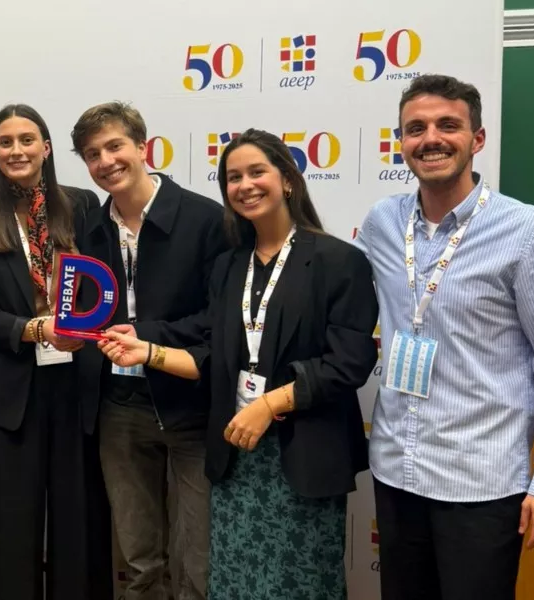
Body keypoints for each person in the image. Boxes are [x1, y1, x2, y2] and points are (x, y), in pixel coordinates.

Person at [99, 128, 378, 600]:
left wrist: (268, 404)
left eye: (256, 172)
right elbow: (215, 354)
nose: (245, 185)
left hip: (302, 456)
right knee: (233, 583)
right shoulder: (229, 266)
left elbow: (349, 363)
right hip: (235, 455)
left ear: (287, 178)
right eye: (233, 177)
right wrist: (147, 350)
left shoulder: (339, 261)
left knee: (300, 585)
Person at [356, 74, 534, 600]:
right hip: (396, 472)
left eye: (448, 125)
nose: (431, 139)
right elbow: (333, 294)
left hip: (480, 483)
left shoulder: (527, 231)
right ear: (401, 142)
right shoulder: (382, 223)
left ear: (476, 139)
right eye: (416, 128)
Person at [68, 101, 227, 600]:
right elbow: (84, 314)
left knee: (198, 560)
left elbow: (221, 316)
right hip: (119, 409)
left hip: (190, 404)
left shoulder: (206, 219)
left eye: (114, 146)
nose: (106, 161)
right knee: (138, 560)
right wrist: (67, 331)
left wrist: (147, 337)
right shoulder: (88, 230)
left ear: (143, 147)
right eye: (92, 154)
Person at [0, 104, 112, 600]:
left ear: (46, 148)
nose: (16, 150)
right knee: (12, 530)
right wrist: (37, 329)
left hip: (77, 387)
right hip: (11, 395)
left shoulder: (83, 205)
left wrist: (80, 327)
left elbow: (104, 289)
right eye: (5, 142)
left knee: (78, 526)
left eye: (27, 139)